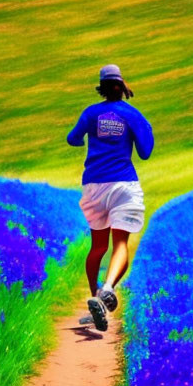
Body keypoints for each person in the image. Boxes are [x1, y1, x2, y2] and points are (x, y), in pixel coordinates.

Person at [66, 64, 154, 331]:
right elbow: (146, 151)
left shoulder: (91, 113)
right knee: (121, 245)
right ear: (122, 85)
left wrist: (89, 139)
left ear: (101, 88)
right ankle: (107, 289)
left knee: (98, 248)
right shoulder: (132, 114)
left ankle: (95, 300)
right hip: (123, 185)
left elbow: (72, 139)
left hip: (93, 186)